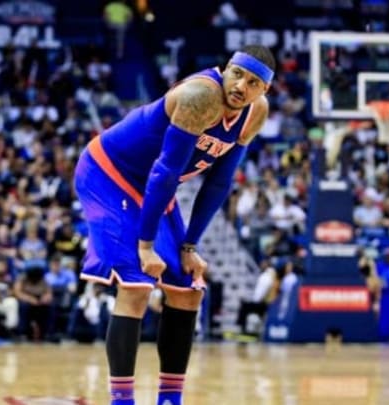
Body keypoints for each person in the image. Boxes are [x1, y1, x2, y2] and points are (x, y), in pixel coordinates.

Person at [74, 45, 273, 405]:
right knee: (137, 284)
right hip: (108, 173)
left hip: (153, 187)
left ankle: (170, 399)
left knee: (187, 287)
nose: (242, 85)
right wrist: (146, 245)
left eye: (254, 82)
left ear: (264, 91)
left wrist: (190, 246)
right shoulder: (201, 95)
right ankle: (122, 400)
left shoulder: (255, 113)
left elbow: (218, 183)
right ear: (225, 69)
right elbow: (165, 172)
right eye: (237, 74)